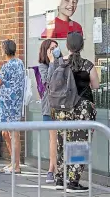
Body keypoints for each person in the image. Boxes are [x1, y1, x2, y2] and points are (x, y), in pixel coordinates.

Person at [49, 32, 99, 192]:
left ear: (67, 46)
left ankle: (60, 179)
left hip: (62, 108)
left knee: (62, 142)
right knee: (80, 144)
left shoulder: (60, 63)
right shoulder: (88, 65)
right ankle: (73, 182)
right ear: (81, 46)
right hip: (83, 108)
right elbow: (96, 85)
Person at [0, 40, 25, 175]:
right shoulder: (20, 63)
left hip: (7, 104)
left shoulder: (7, 66)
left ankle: (16, 165)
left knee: (10, 133)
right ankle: (14, 162)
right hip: (16, 103)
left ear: (4, 50)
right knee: (12, 133)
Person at [38, 39, 60, 183]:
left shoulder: (62, 62)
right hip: (49, 106)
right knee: (53, 139)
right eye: (52, 48)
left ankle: (55, 169)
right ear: (46, 51)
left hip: (63, 104)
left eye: (56, 47)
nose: (55, 50)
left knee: (61, 139)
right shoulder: (43, 65)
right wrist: (52, 62)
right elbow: (48, 81)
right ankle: (52, 170)